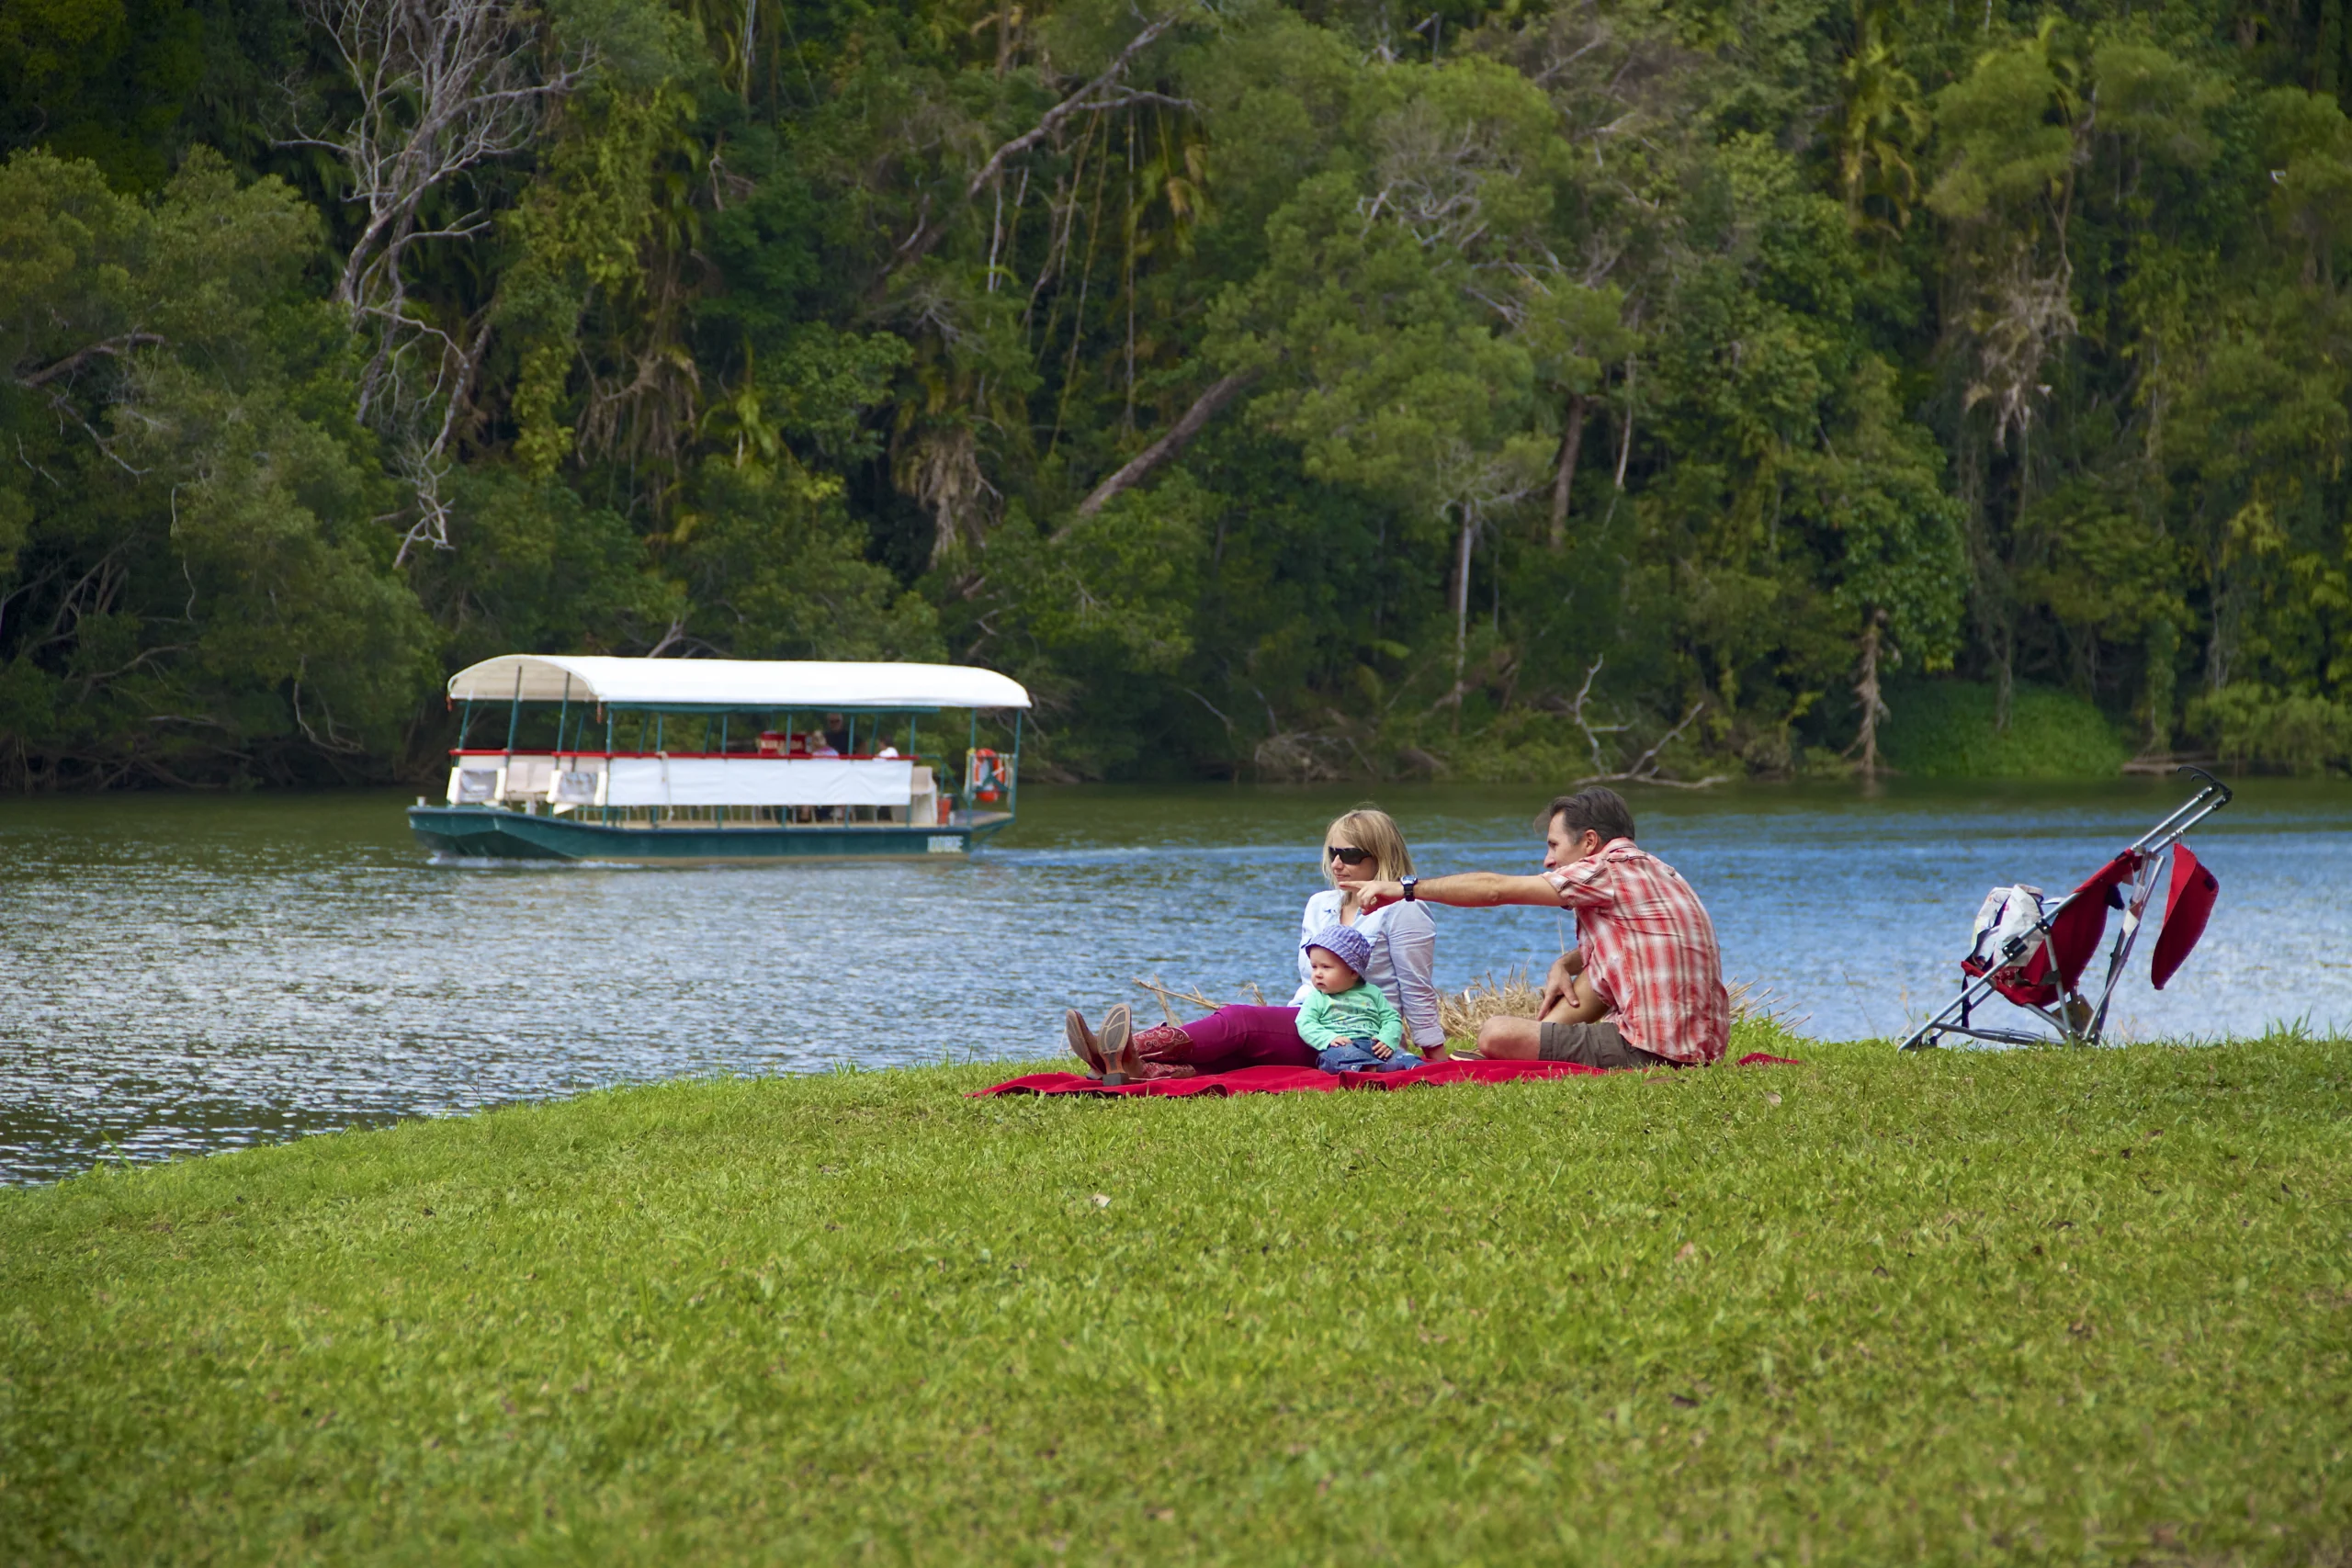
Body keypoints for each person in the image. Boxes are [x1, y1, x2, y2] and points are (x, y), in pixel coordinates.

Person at [1356, 785, 1729, 1068]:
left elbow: (1494, 891)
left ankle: (1517, 1053)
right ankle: (1532, 1048)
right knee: (1561, 1000)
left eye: (1554, 845)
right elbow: (1639, 945)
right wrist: (1565, 965)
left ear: (1589, 842)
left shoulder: (1606, 869)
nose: (1548, 860)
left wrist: (1405, 889)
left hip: (1655, 1051)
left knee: (1495, 1033)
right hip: (1699, 1047)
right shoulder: (1655, 869)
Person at [1063, 807, 1442, 1080]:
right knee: (1237, 1054)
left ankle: (1125, 1048)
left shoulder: (1405, 910)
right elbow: (1309, 982)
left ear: (1382, 858)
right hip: (1309, 1018)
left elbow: (1417, 988)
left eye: (1351, 855)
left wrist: (1433, 1055)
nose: (1339, 863)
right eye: (1333, 853)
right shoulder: (1320, 904)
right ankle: (1136, 1070)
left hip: (1357, 1032)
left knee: (1240, 1020)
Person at [1296, 925, 1417, 1074]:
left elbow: (1391, 1018)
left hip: (1374, 1045)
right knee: (1336, 1058)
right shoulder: (1318, 996)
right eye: (1314, 967)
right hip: (1342, 1046)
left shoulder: (1372, 992)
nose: (1317, 974)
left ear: (1353, 972)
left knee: (1401, 1056)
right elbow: (1305, 1022)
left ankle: (1409, 1067)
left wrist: (1386, 1039)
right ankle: (1370, 1069)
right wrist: (1328, 1038)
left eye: (1326, 967)